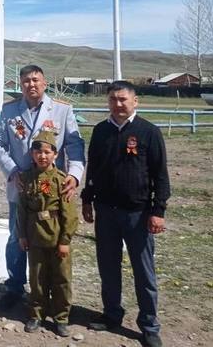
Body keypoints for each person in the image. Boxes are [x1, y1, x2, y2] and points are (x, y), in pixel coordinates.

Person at [81, 81, 170, 347]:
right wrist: (87, 200)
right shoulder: (100, 131)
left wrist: (158, 211)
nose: (117, 104)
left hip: (138, 214)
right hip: (106, 211)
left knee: (144, 272)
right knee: (108, 268)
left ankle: (149, 325)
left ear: (135, 101)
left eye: (122, 99)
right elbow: (93, 169)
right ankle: (112, 315)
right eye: (112, 99)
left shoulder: (148, 132)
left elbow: (160, 176)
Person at [0, 64, 85, 311]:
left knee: (52, 241)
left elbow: (74, 145)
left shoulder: (62, 110)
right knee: (17, 237)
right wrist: (12, 171)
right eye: (25, 81)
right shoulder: (10, 110)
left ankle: (50, 294)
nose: (31, 85)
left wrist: (74, 175)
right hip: (21, 187)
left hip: (53, 190)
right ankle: (14, 286)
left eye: (35, 80)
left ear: (44, 83)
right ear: (20, 85)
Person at [17, 130, 78, 338]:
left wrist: (65, 241)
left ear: (55, 155)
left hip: (57, 237)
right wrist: (22, 235)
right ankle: (36, 314)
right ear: (32, 154)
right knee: (37, 278)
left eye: (47, 152)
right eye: (37, 152)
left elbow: (69, 215)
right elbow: (22, 210)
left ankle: (61, 317)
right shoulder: (26, 178)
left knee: (61, 278)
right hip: (35, 237)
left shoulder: (62, 180)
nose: (42, 156)